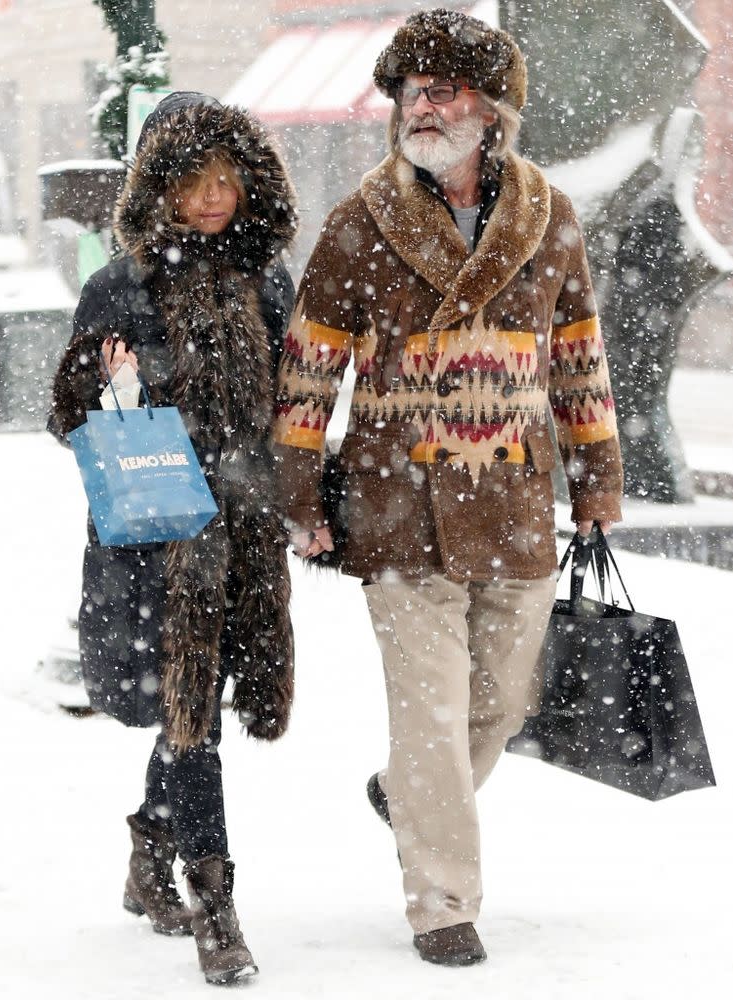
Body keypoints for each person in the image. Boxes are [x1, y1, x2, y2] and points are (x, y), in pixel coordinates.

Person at [271, 9, 623, 967]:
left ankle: (408, 794)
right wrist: (298, 491)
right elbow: (308, 370)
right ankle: (442, 902)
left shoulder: (549, 219)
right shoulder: (358, 222)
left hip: (515, 500)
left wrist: (595, 478)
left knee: (498, 704)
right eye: (411, 92)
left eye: (446, 90)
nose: (424, 108)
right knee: (425, 713)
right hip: (397, 502)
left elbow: (579, 356)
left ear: (491, 110)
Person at [49, 91, 297, 986]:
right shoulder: (120, 283)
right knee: (192, 722)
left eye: (227, 180)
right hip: (159, 532)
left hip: (245, 525)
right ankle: (215, 906)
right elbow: (71, 416)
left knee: (206, 701)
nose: (212, 198)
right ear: (161, 185)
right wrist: (109, 386)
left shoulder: (266, 277)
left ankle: (151, 843)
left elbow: (294, 399)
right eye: (194, 181)